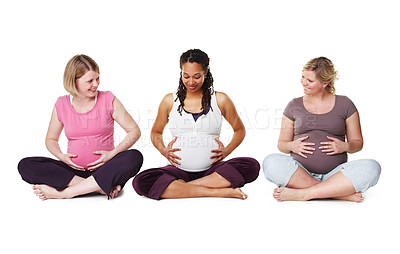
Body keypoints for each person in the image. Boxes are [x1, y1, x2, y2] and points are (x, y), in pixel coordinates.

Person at [133, 49, 259, 200]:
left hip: (213, 171)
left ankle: (182, 189)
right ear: (181, 73)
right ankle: (215, 191)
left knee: (251, 166)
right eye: (186, 76)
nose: (191, 82)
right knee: (140, 181)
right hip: (178, 170)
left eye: (197, 76)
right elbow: (156, 132)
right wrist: (163, 150)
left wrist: (226, 152)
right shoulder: (169, 101)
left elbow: (239, 130)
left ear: (205, 72)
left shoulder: (220, 99)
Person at [18, 54, 143, 200]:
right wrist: (61, 157)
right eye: (90, 81)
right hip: (72, 172)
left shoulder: (108, 99)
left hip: (105, 169)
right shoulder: (61, 104)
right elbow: (51, 139)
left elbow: (134, 131)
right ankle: (98, 188)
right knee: (26, 165)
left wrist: (111, 155)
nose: (96, 84)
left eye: (97, 78)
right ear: (74, 82)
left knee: (134, 157)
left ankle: (66, 193)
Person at [263, 57, 381, 202]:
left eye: (310, 80)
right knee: (270, 162)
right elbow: (281, 144)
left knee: (373, 167)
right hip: (299, 173)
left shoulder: (346, 104)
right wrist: (291, 146)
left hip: (336, 174)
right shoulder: (293, 105)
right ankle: (337, 193)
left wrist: (346, 146)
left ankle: (304, 194)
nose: (303, 82)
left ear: (325, 83)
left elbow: (358, 143)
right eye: (303, 77)